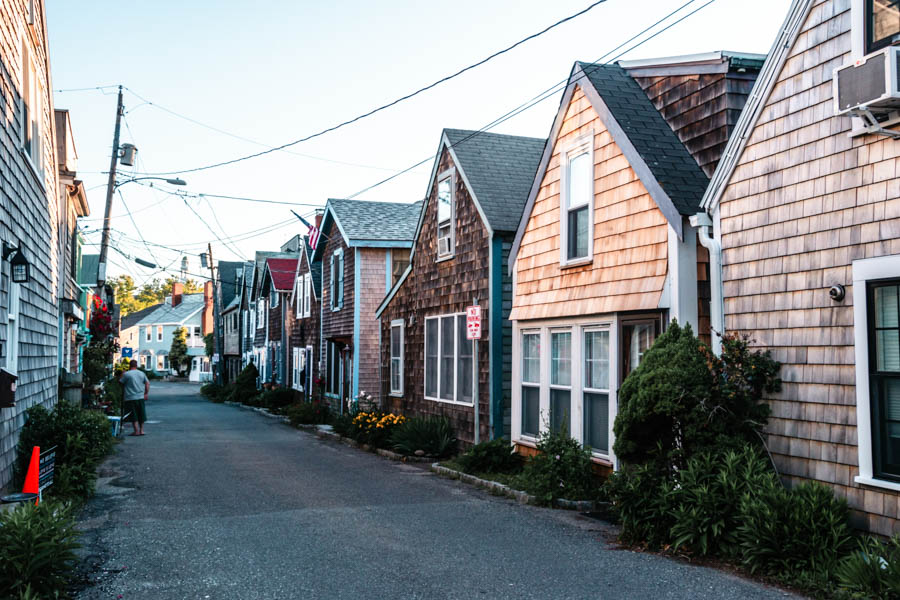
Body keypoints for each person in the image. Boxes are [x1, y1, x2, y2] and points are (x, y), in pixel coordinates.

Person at [120, 359, 150, 436]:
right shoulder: (141, 373)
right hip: (140, 397)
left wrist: (122, 374)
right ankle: (142, 430)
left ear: (130, 366)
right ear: (136, 366)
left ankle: (136, 431)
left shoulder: (127, 374)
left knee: (134, 415)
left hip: (130, 397)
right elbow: (147, 383)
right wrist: (146, 393)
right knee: (141, 414)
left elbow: (120, 383)